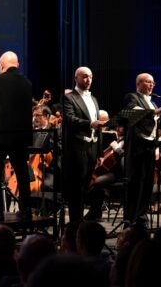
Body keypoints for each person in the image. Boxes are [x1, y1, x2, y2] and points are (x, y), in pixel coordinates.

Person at [0, 51, 33, 221]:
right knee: (22, 172)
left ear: (1, 66)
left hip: (0, 135)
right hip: (21, 136)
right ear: (17, 65)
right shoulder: (27, 83)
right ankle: (26, 210)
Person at [63, 66, 105, 222]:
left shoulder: (93, 99)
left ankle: (80, 222)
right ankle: (76, 223)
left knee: (86, 185)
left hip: (92, 147)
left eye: (91, 77)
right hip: (77, 148)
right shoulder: (69, 97)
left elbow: (98, 126)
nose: (89, 80)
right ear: (76, 78)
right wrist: (90, 124)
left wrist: (100, 152)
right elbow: (70, 119)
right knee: (77, 188)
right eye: (85, 77)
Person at [123, 73, 161, 228]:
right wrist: (156, 112)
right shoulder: (132, 97)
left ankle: (141, 216)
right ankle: (130, 218)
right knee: (135, 182)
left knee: (147, 183)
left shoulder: (153, 103)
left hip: (150, 146)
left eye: (153, 83)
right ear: (138, 83)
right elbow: (134, 111)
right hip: (137, 147)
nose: (151, 85)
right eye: (148, 82)